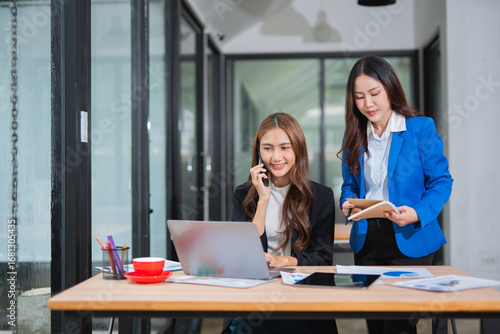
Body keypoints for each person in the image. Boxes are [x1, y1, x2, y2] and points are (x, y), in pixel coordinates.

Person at [338, 55, 453, 334]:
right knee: (376, 323)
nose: (368, 103)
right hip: (367, 238)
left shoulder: (419, 128)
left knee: (398, 325)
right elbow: (349, 186)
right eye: (360, 97)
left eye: (375, 93)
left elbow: (441, 181)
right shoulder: (354, 135)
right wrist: (347, 201)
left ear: (390, 88)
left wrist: (417, 213)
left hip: (409, 235)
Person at [223, 112, 337, 334]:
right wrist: (263, 199)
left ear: (298, 149)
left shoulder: (321, 196)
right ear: (258, 152)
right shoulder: (243, 194)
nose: (276, 157)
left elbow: (322, 259)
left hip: (301, 294)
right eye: (268, 148)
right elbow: (241, 252)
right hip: (254, 294)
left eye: (285, 147)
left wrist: (282, 260)